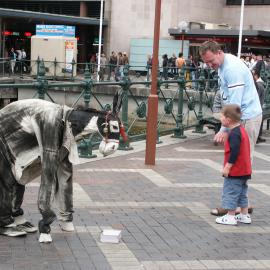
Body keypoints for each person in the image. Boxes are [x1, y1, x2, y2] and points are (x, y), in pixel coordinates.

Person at [199, 41, 262, 216]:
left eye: (212, 61)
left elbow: (235, 104)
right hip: (243, 117)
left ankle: (232, 207)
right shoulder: (224, 66)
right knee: (242, 164)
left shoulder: (231, 69)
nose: (211, 66)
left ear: (219, 52)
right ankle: (242, 205)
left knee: (239, 165)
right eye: (208, 63)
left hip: (246, 118)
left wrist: (223, 129)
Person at [216, 104, 252, 225]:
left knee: (230, 191)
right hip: (245, 170)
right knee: (242, 192)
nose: (220, 120)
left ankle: (230, 216)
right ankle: (244, 214)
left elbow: (235, 152)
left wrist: (227, 167)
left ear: (228, 120)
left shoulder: (234, 134)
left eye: (222, 117)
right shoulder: (241, 130)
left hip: (236, 171)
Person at [253, 69, 266, 143]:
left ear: (256, 76)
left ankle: (257, 137)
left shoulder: (258, 85)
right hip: (260, 106)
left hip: (257, 107)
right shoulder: (260, 84)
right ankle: (258, 136)